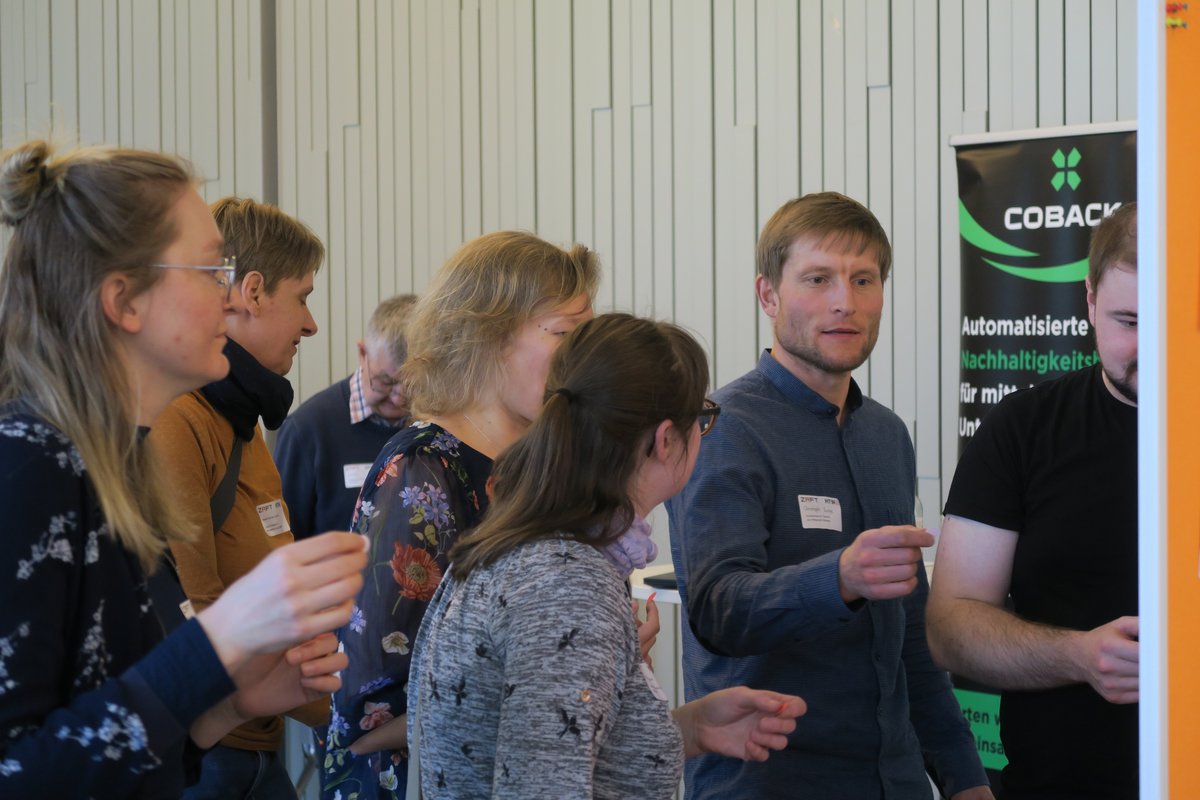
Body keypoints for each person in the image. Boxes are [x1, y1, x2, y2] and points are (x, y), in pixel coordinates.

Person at [0, 141, 366, 798]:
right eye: (210, 271)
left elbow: (118, 738)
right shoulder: (28, 465)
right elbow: (19, 773)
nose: (230, 297)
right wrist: (223, 637)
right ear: (124, 301)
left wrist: (229, 705)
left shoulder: (114, 463)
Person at [666, 192, 992, 800]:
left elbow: (910, 638)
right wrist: (839, 577)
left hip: (895, 781)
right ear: (768, 295)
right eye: (818, 279)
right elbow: (717, 610)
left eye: (863, 279)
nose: (845, 301)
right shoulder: (722, 429)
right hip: (772, 781)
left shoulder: (887, 435)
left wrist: (963, 778)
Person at [409, 313, 806, 798]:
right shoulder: (567, 584)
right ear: (666, 440)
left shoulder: (542, 553)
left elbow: (556, 749)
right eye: (702, 418)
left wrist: (692, 728)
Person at [323, 231, 651, 800]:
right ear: (489, 337)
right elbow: (367, 713)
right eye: (566, 335)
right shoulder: (422, 470)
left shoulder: (547, 467)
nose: (584, 361)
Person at [926, 203, 1139, 800]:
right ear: (1089, 300)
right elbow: (950, 627)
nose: (1154, 347)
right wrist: (1079, 656)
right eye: (1129, 321)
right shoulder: (1023, 429)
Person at [150, 196, 327, 798]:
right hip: (210, 757)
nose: (311, 324)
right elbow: (193, 614)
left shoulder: (240, 420)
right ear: (252, 292)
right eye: (302, 297)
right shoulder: (181, 419)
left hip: (252, 747)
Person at [275, 293, 419, 541]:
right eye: (385, 382)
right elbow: (283, 541)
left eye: (412, 385)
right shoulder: (307, 430)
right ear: (363, 353)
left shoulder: (434, 424)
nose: (399, 399)